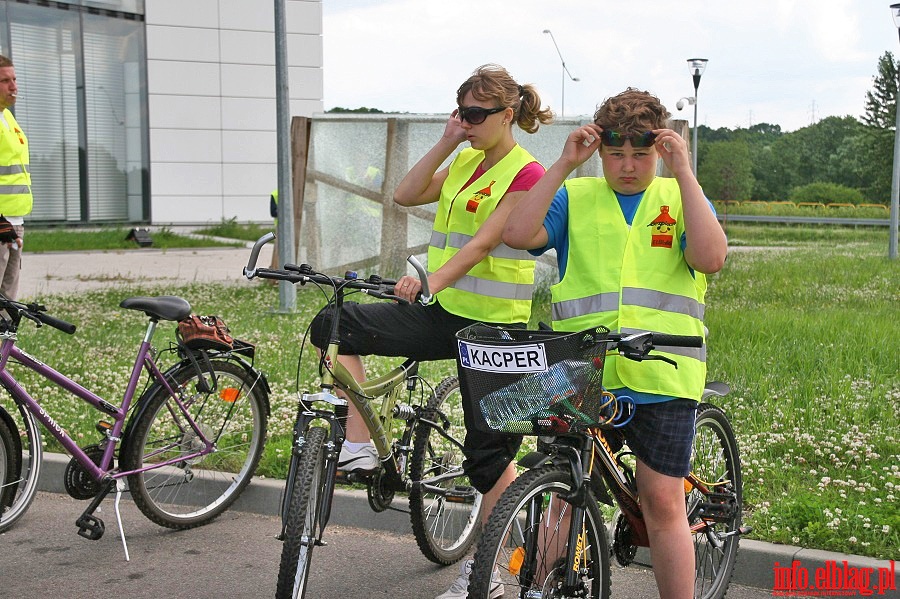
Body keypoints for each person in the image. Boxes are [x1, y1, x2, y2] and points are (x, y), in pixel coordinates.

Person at [309, 64, 552, 599]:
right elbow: (405, 192)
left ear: (507, 115)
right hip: (442, 314)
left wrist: (428, 279)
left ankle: (485, 574)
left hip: (492, 328)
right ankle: (361, 445)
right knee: (335, 324)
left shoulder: (525, 173)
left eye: (474, 115)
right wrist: (447, 141)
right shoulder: (465, 157)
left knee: (491, 461)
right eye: (459, 112)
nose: (464, 122)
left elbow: (483, 243)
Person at [502, 88, 727, 599]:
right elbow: (517, 232)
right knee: (562, 490)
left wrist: (684, 172)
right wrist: (563, 163)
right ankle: (542, 587)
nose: (627, 166)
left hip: (664, 372)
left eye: (641, 154)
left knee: (662, 501)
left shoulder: (678, 197)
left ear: (659, 151)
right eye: (616, 153)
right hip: (582, 369)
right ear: (600, 151)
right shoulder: (575, 198)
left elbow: (711, 258)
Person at [0, 55, 32, 300]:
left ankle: (6, 340)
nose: (14, 86)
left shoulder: (8, 117)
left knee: (9, 303)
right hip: (1, 223)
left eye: (15, 79)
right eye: (5, 81)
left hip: (14, 222)